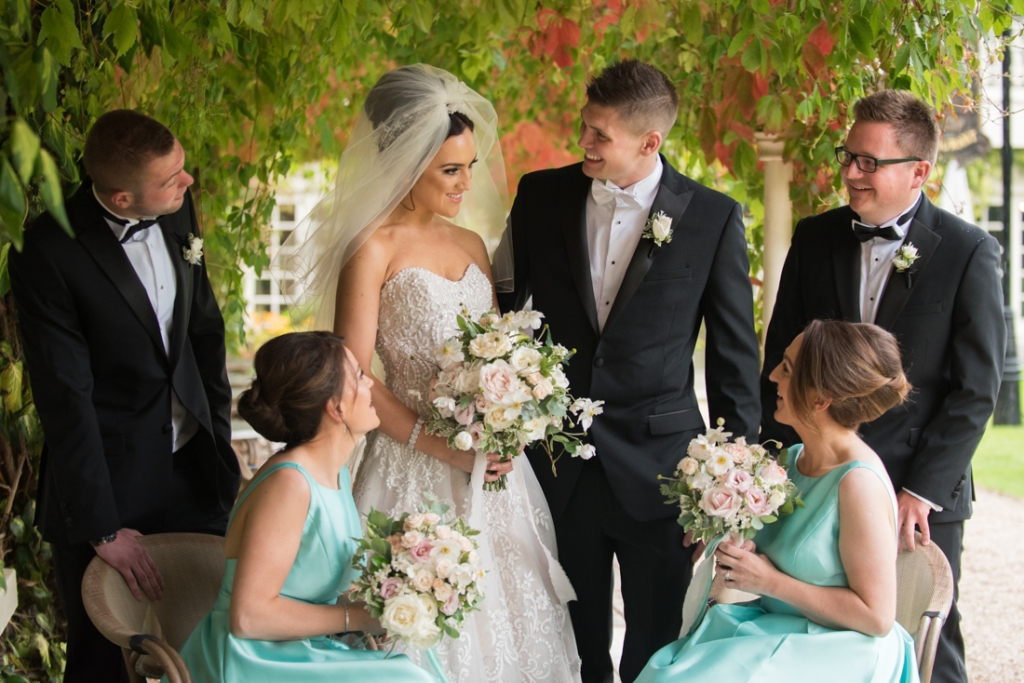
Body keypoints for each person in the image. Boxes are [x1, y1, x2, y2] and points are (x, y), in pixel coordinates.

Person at [286, 65, 581, 682]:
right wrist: (443, 445)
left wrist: (515, 418)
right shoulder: (372, 248)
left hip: (496, 475)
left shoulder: (473, 243)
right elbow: (354, 379)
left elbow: (504, 351)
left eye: (470, 165)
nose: (466, 182)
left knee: (516, 626)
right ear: (404, 162)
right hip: (409, 465)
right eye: (451, 169)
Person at [497, 59, 762, 683]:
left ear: (650, 142)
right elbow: (502, 311)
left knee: (657, 642)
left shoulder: (714, 217)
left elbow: (734, 360)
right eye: (584, 127)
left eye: (600, 135)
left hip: (664, 471)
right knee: (571, 641)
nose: (583, 143)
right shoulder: (541, 195)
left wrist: (731, 496)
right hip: (560, 464)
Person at [760, 90, 1004, 683]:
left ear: (919, 170)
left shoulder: (970, 251)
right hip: (818, 479)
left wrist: (921, 490)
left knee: (924, 638)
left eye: (870, 162)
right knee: (814, 627)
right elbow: (780, 355)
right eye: (850, 156)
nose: (850, 172)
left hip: (914, 489)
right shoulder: (815, 239)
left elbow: (976, 388)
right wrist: (774, 471)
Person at [9, 110, 240, 683]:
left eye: (182, 170)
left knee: (212, 644)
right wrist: (103, 527)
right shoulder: (47, 251)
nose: (188, 184)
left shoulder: (176, 204)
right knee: (103, 661)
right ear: (121, 195)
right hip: (110, 485)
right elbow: (66, 396)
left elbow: (204, 333)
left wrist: (220, 442)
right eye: (172, 179)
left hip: (194, 470)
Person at [639, 319, 919, 682]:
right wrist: (729, 539)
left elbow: (877, 618)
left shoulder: (858, 483)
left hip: (838, 650)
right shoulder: (792, 459)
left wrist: (769, 582)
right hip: (778, 627)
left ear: (820, 399)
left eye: (786, 368)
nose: (771, 376)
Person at [170, 332, 436, 682]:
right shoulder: (290, 484)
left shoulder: (333, 473)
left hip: (298, 651)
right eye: (358, 375)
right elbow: (248, 617)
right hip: (247, 660)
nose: (370, 382)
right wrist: (357, 618)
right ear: (336, 406)